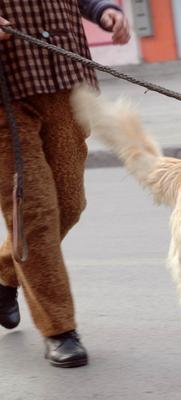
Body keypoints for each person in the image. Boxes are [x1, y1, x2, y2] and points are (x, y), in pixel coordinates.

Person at [0, 1, 130, 368]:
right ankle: (59, 329)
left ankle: (5, 273)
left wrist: (104, 9)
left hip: (65, 81)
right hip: (7, 96)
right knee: (35, 212)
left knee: (69, 204)